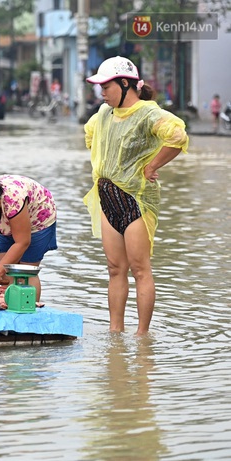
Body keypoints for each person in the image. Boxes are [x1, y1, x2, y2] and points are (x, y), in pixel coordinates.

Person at [83, 56, 189, 335]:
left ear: (125, 83)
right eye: (100, 87)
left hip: (136, 200)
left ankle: (142, 336)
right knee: (115, 269)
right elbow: (91, 136)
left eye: (106, 86)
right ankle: (115, 333)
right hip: (108, 199)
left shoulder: (148, 113)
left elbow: (177, 136)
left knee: (140, 268)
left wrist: (152, 165)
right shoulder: (103, 114)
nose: (102, 92)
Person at [0, 175, 58, 303]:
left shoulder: (12, 201)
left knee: (24, 273)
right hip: (5, 225)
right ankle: (6, 308)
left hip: (38, 219)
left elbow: (22, 242)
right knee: (6, 276)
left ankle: (29, 311)